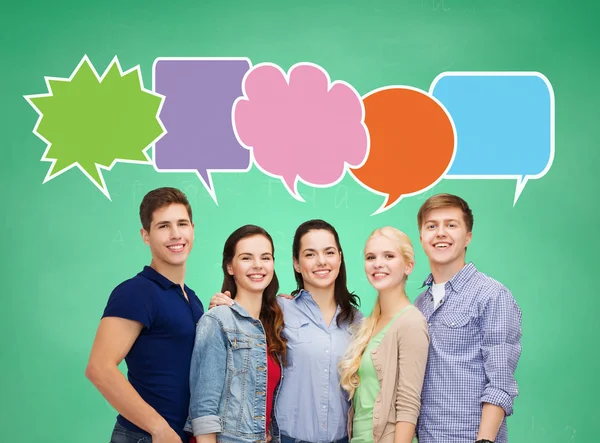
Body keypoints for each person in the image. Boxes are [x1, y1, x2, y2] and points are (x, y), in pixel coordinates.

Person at [210, 219, 363, 443]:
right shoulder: (276, 311)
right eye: (310, 254)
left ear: (339, 257)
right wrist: (222, 303)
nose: (321, 261)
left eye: (329, 252)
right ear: (296, 264)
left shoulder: (359, 323)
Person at [85, 187, 204, 443]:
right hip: (145, 436)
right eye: (163, 226)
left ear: (192, 229)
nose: (175, 234)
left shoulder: (192, 299)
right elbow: (99, 368)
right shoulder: (136, 292)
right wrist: (158, 429)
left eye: (182, 224)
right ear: (145, 235)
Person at [414, 194, 523, 443]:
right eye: (432, 226)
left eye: (451, 225)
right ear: (422, 238)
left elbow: (501, 381)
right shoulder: (420, 304)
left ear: (468, 237)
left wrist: (484, 440)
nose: (441, 233)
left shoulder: (492, 295)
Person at [187, 225, 287, 443]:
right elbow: (203, 408)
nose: (258, 265)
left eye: (266, 257)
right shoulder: (217, 320)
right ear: (230, 267)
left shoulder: (273, 326)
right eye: (246, 258)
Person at [339, 227, 430, 443]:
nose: (378, 263)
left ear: (409, 266)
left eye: (389, 256)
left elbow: (408, 404)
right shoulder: (368, 323)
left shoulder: (411, 323)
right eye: (371, 257)